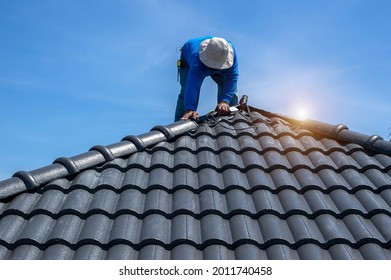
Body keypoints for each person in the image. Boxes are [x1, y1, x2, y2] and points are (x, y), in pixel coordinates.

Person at [174, 36, 239, 121]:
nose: (214, 68)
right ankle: (179, 124)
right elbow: (192, 85)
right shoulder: (196, 59)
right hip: (194, 62)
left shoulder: (230, 53)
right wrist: (189, 108)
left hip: (222, 67)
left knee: (231, 93)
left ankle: (230, 120)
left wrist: (225, 101)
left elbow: (232, 78)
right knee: (185, 92)